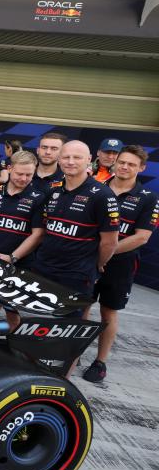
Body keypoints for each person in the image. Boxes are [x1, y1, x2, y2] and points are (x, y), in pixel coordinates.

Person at [82, 145, 158, 383]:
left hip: (120, 264)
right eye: (122, 162)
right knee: (81, 308)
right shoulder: (97, 189)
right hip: (88, 261)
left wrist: (106, 254)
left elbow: (142, 237)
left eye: (132, 164)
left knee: (108, 312)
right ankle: (71, 350)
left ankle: (100, 361)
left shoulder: (148, 198)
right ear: (114, 163)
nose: (125, 167)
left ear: (141, 168)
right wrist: (95, 256)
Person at [35, 140, 118, 313]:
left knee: (70, 326)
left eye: (77, 157)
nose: (70, 161)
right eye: (66, 157)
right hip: (43, 267)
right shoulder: (52, 191)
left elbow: (109, 242)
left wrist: (97, 265)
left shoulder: (103, 195)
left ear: (88, 159)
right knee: (36, 319)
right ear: (59, 160)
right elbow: (44, 229)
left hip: (76, 274)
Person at [0, 151, 47, 328]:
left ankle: (15, 349)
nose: (23, 178)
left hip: (18, 263)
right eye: (19, 174)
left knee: (11, 308)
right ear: (10, 169)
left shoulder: (38, 198)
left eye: (29, 174)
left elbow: (38, 234)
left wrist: (13, 257)